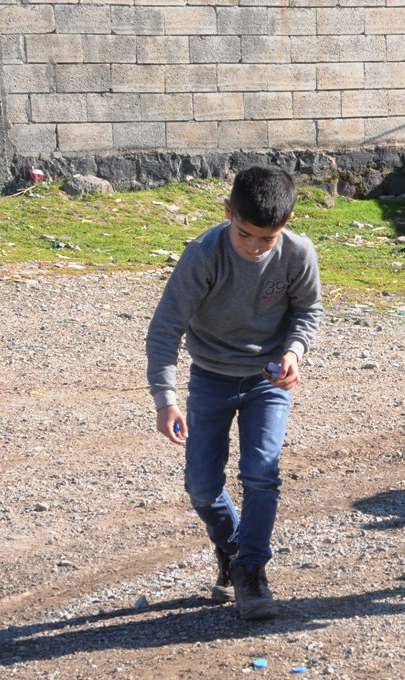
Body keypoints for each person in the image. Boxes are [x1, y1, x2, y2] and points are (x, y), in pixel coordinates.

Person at [146, 166, 322, 620]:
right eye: (245, 234)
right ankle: (230, 547)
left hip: (268, 381)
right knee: (202, 485)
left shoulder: (299, 253)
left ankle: (250, 570)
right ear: (228, 213)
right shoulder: (203, 255)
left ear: (288, 223)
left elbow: (308, 311)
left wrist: (294, 353)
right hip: (211, 378)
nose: (255, 247)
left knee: (262, 473)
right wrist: (166, 399)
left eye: (267, 239)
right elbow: (165, 329)